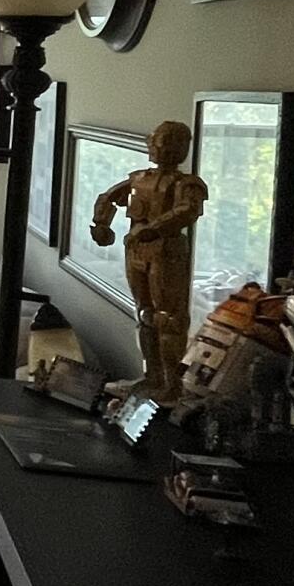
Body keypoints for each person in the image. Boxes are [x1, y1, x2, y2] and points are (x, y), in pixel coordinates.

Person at [92, 119, 208, 396]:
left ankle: (172, 384)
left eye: (162, 142)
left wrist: (154, 228)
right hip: (136, 250)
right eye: (154, 141)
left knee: (168, 318)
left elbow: (187, 210)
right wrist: (101, 223)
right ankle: (152, 376)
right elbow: (109, 197)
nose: (154, 146)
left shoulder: (186, 184)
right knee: (145, 314)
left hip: (167, 252)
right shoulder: (139, 178)